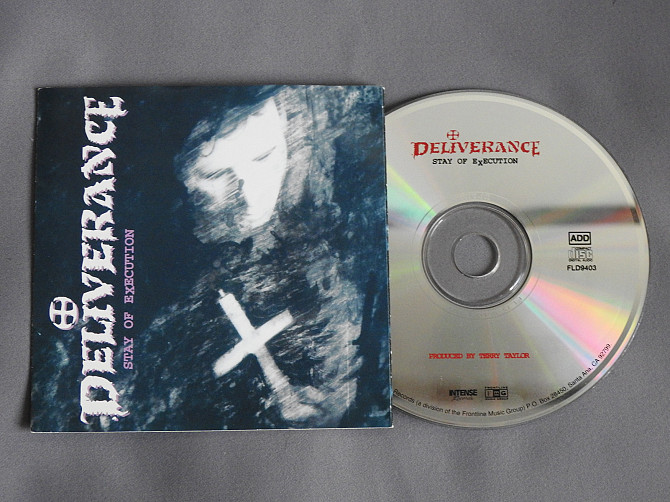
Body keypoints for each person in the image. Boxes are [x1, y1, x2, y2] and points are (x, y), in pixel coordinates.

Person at [120, 86, 388, 430]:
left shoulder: (335, 220)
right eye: (215, 175)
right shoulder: (148, 271)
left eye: (264, 157)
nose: (250, 193)